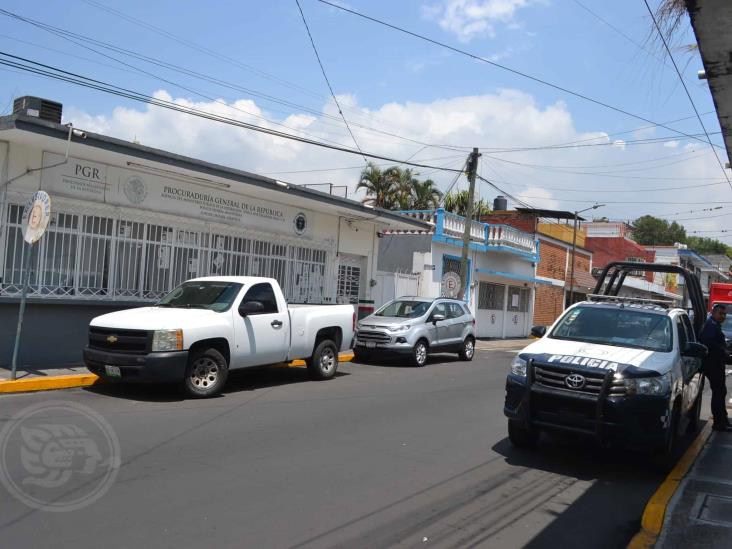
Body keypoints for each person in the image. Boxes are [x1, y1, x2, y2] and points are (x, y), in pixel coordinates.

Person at [699, 304, 731, 431]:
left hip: (716, 364)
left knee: (721, 392)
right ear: (713, 313)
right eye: (721, 314)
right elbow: (707, 342)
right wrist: (723, 352)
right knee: (718, 393)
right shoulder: (711, 325)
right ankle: (719, 423)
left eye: (724, 314)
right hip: (712, 365)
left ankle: (723, 420)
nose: (723, 316)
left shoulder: (714, 325)